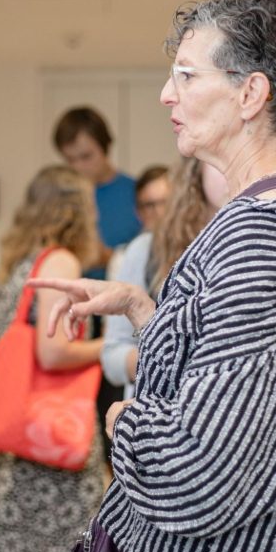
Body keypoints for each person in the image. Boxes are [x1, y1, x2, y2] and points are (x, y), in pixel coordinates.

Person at [31, 0, 276, 552]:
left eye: (187, 76)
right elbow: (257, 380)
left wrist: (123, 423)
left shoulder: (266, 233)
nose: (168, 94)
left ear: (251, 94)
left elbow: (199, 474)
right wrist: (142, 308)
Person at [0, 165, 105, 552]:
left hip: (15, 431)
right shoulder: (61, 260)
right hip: (49, 437)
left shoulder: (20, 260)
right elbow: (52, 353)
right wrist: (109, 347)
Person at [101, 158, 227, 399]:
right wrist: (167, 368)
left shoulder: (234, 244)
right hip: (156, 409)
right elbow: (113, 353)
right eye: (150, 205)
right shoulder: (145, 250)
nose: (160, 211)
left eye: (164, 202)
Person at [53, 106, 140, 279]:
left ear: (106, 147)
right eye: (70, 159)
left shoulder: (137, 195)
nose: (78, 167)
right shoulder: (60, 199)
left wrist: (108, 258)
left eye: (86, 157)